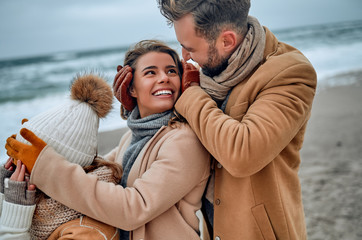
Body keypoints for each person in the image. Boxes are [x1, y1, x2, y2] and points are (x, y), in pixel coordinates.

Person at [5, 40, 210, 240]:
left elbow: (133, 208)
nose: (164, 78)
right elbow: (97, 172)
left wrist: (45, 166)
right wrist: (24, 169)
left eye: (172, 71)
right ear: (131, 88)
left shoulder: (184, 140)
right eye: (151, 72)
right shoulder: (132, 136)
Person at [155, 0, 318, 239]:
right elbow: (189, 131)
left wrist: (190, 93)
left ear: (227, 41)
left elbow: (242, 154)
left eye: (190, 48)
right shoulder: (211, 71)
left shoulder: (291, 72)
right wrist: (142, 107)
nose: (185, 56)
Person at [0, 73, 122, 239]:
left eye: (27, 161)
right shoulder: (42, 205)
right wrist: (3, 194)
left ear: (54, 166)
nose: (17, 171)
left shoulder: (89, 233)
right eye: (16, 160)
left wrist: (14, 223)